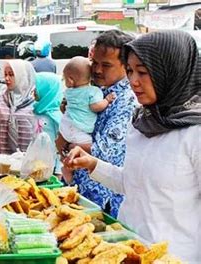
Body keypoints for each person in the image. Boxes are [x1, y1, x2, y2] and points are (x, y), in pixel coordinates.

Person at [64, 30, 201, 262]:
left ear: (170, 71)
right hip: (130, 249)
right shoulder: (141, 123)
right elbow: (133, 183)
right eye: (129, 71)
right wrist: (93, 164)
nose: (133, 81)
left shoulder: (194, 133)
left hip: (174, 257)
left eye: (143, 72)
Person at [57, 30, 136, 217]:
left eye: (106, 65)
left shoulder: (126, 101)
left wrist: (67, 144)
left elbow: (107, 150)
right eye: (95, 63)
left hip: (103, 200)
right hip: (81, 191)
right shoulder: (92, 90)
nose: (98, 70)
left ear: (126, 66)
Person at [0, 60, 36, 154]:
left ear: (21, 76)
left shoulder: (34, 99)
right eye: (5, 74)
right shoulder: (1, 97)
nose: (7, 78)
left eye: (11, 74)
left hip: (28, 156)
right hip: (4, 157)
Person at [33, 71, 63, 175]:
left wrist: (59, 171)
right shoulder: (36, 110)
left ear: (47, 90)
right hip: (36, 165)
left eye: (37, 87)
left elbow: (62, 147)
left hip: (51, 167)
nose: (34, 91)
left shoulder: (56, 117)